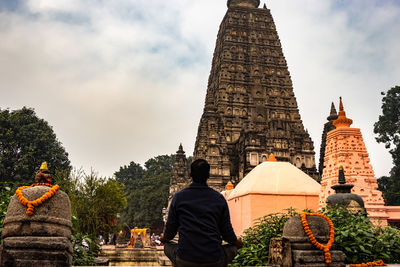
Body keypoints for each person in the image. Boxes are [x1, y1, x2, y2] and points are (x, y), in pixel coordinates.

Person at [161, 159, 242, 267]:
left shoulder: (178, 198)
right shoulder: (219, 198)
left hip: (185, 259)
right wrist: (238, 243)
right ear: (208, 175)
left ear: (190, 174)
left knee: (167, 246)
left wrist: (163, 238)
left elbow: (170, 233)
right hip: (214, 259)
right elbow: (227, 233)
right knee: (233, 248)